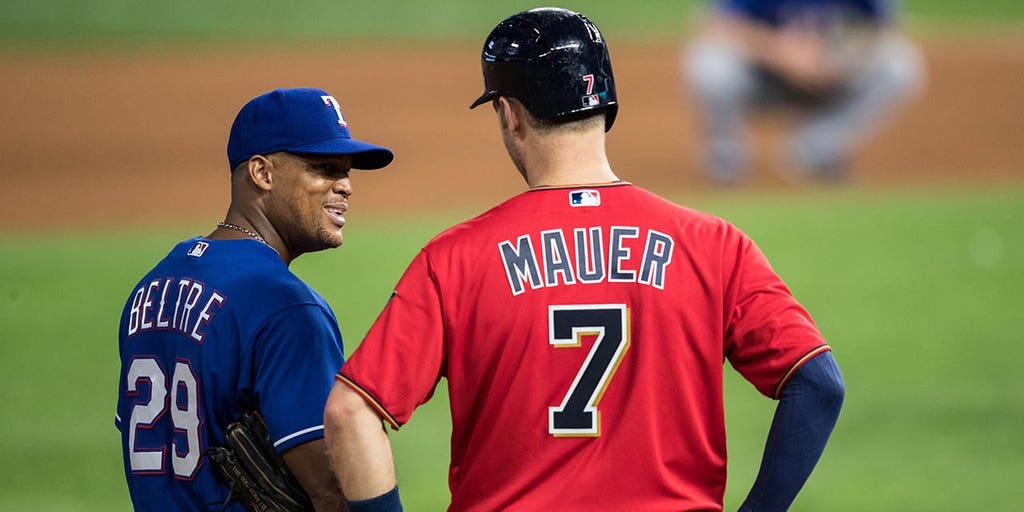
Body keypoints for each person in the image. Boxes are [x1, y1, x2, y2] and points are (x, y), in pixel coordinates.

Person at [324, 7, 844, 512]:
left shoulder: (454, 260)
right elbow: (818, 383)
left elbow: (350, 413)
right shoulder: (715, 245)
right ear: (605, 106)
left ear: (510, 114)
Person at [115, 87, 394, 511]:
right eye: (325, 168)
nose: (347, 186)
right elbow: (333, 492)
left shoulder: (151, 288)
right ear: (262, 173)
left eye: (347, 170)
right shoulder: (288, 309)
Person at [684, 0, 924, 184]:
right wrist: (780, 52)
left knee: (898, 65)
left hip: (833, 76)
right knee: (709, 62)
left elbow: (885, 29)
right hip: (763, 80)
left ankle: (817, 149)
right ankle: (726, 155)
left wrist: (834, 57)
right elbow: (719, 24)